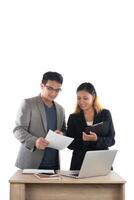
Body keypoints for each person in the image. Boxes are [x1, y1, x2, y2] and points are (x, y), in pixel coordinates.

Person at [13, 71, 66, 170]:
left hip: (53, 165)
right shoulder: (28, 103)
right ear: (42, 86)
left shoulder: (60, 109)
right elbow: (18, 130)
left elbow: (64, 130)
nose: (54, 93)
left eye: (57, 90)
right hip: (30, 164)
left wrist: (62, 134)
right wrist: (35, 141)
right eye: (50, 88)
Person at [66, 82, 115, 170]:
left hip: (101, 162)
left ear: (94, 97)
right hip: (79, 163)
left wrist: (96, 139)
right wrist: (84, 140)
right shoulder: (73, 117)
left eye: (85, 98)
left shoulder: (105, 114)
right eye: (78, 98)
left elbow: (111, 140)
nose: (81, 102)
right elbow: (70, 144)